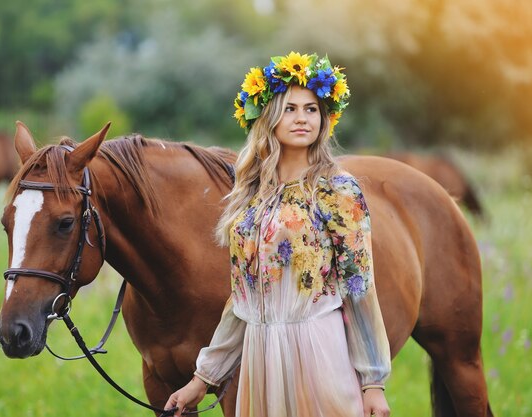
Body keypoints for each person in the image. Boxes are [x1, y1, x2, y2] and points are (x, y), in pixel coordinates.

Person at [165, 52, 391, 417]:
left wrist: (373, 382)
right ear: (268, 118)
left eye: (311, 109)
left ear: (324, 118)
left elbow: (359, 286)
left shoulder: (337, 190)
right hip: (261, 355)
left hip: (317, 347)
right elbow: (243, 300)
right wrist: (202, 379)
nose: (302, 118)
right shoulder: (251, 196)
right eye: (289, 109)